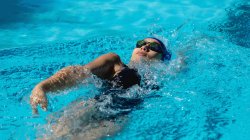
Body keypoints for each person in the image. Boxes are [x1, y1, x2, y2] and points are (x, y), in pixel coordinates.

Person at [30, 37, 173, 139]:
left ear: (162, 57)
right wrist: (43, 86)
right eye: (141, 43)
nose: (144, 47)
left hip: (116, 121)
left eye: (154, 47)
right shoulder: (115, 62)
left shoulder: (159, 78)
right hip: (91, 107)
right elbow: (80, 72)